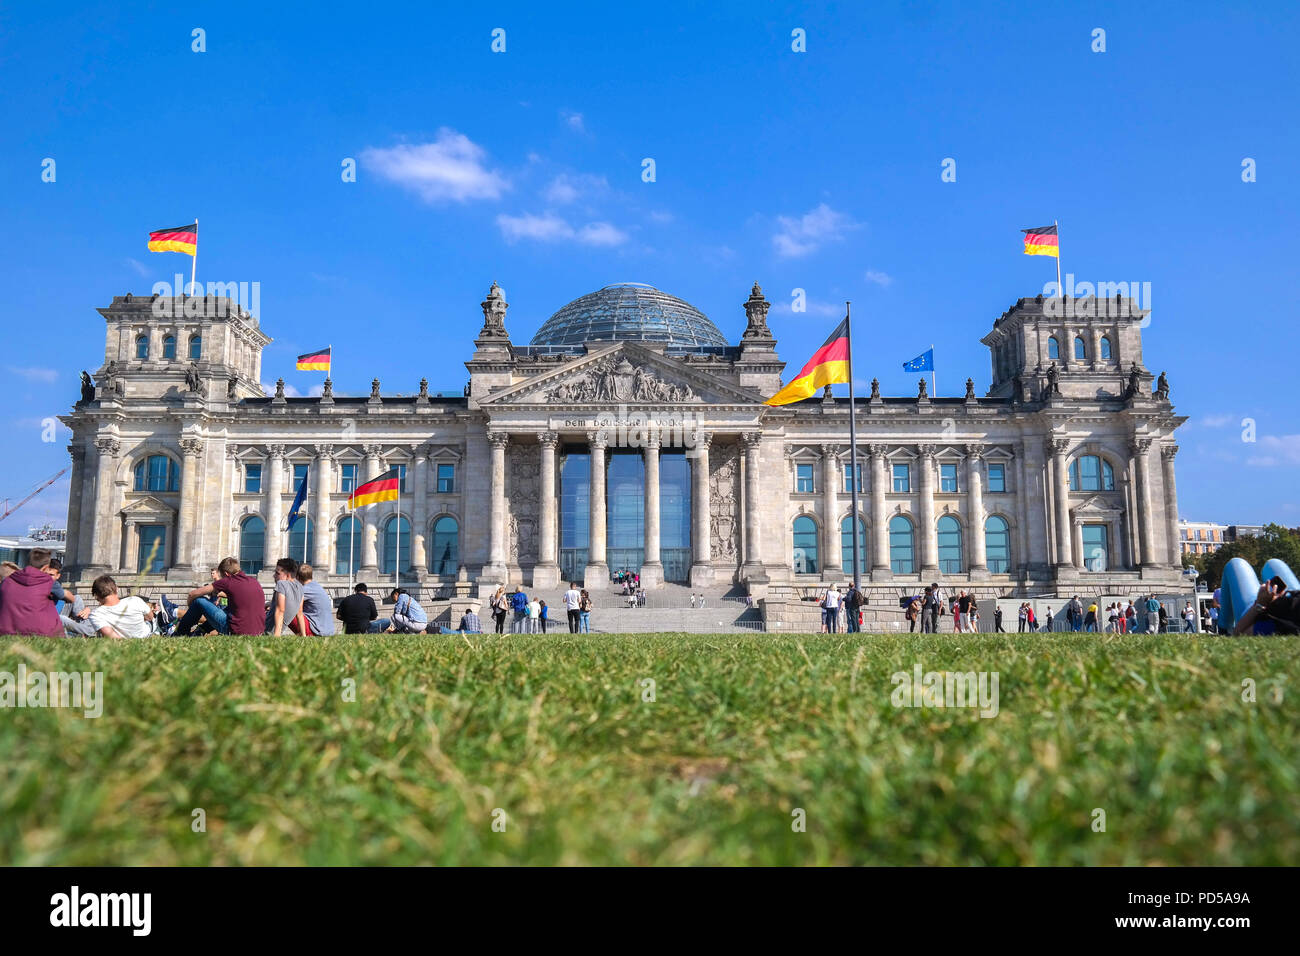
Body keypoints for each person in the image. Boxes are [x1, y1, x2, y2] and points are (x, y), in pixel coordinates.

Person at [173, 557, 264, 636]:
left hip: (236, 630)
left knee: (199, 601)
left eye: (222, 576)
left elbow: (193, 594)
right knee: (225, 610)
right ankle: (199, 631)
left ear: (227, 574)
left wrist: (191, 607)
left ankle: (181, 632)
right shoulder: (254, 581)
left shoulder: (228, 581)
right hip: (258, 631)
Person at [0, 548, 66, 637]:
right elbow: (63, 595)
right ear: (46, 567)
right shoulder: (48, 581)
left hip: (6, 630)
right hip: (41, 632)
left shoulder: (7, 581)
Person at [86, 575, 156, 638]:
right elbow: (150, 617)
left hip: (131, 640)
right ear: (117, 589)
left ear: (96, 596)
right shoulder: (135, 600)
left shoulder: (96, 614)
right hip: (146, 634)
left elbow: (112, 637)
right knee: (152, 621)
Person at [1234, 576, 1300, 634]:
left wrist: (1259, 604)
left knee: (1236, 562)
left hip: (1257, 608)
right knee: (1273, 562)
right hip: (1286, 599)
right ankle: (1224, 627)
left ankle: (1225, 626)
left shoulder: (1281, 624)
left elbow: (1239, 633)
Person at [266, 558, 306, 636]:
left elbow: (280, 610)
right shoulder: (300, 587)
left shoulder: (281, 584)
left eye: (277, 573)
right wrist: (303, 635)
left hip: (266, 631)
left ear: (287, 575)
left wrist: (276, 636)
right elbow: (300, 613)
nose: (274, 576)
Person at [295, 564, 335, 636]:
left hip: (317, 631)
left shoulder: (305, 589)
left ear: (297, 577)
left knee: (285, 609)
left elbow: (291, 604)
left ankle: (272, 632)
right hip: (328, 631)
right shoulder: (317, 586)